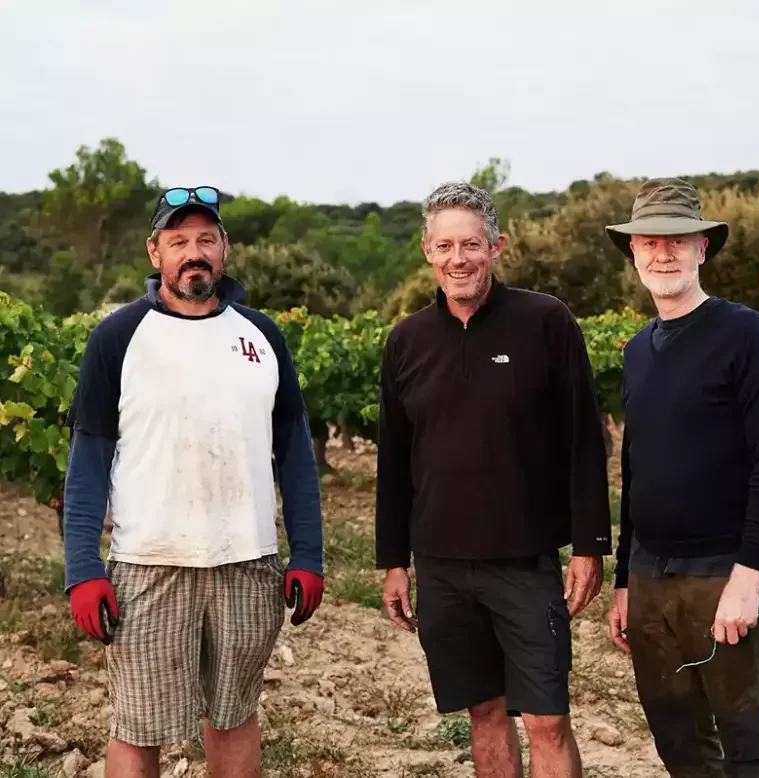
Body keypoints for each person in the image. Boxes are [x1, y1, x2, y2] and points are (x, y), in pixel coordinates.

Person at [62, 186, 325, 778]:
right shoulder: (118, 338)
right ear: (155, 253)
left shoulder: (262, 337)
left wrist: (308, 553)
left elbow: (295, 457)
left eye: (206, 239)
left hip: (248, 564)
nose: (194, 252)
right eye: (178, 242)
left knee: (234, 718)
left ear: (224, 249)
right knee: (137, 727)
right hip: (149, 565)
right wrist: (82, 570)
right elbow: (88, 464)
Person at [375, 181, 612, 778]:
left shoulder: (546, 322)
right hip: (440, 565)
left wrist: (588, 546)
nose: (460, 259)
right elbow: (395, 461)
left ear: (496, 246)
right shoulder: (406, 341)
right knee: (484, 710)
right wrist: (393, 560)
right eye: (446, 246)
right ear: (428, 252)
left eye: (472, 245)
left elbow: (587, 442)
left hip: (525, 563)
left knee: (548, 719)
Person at [603, 178, 759, 777]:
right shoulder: (638, 350)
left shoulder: (746, 334)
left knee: (748, 744)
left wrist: (748, 576)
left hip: (722, 574)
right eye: (649, 242)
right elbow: (635, 470)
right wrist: (623, 579)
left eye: (677, 241)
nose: (662, 253)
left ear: (702, 249)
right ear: (633, 253)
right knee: (678, 743)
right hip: (649, 576)